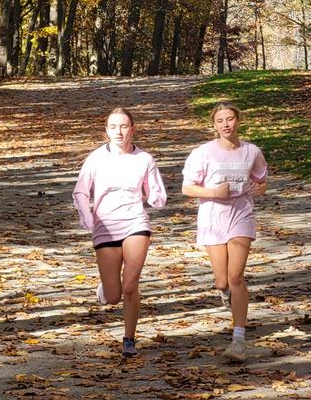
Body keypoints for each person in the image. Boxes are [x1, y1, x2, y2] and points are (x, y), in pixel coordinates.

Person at [73, 106, 166, 358]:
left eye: (124, 126)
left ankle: (129, 339)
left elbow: (157, 193)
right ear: (106, 131)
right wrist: (87, 216)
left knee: (130, 285)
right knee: (114, 296)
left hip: (136, 223)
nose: (119, 131)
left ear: (132, 130)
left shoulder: (144, 159)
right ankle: (105, 289)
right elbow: (80, 192)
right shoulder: (95, 159)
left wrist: (156, 197)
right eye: (113, 127)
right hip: (104, 227)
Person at [181, 101, 267, 363]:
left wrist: (261, 188)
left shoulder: (251, 151)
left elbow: (262, 179)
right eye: (220, 121)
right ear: (214, 124)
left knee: (236, 276)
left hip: (241, 214)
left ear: (238, 121)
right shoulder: (203, 152)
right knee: (222, 281)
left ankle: (238, 340)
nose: (226, 124)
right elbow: (187, 188)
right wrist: (213, 192)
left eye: (230, 119)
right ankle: (226, 294)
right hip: (212, 216)